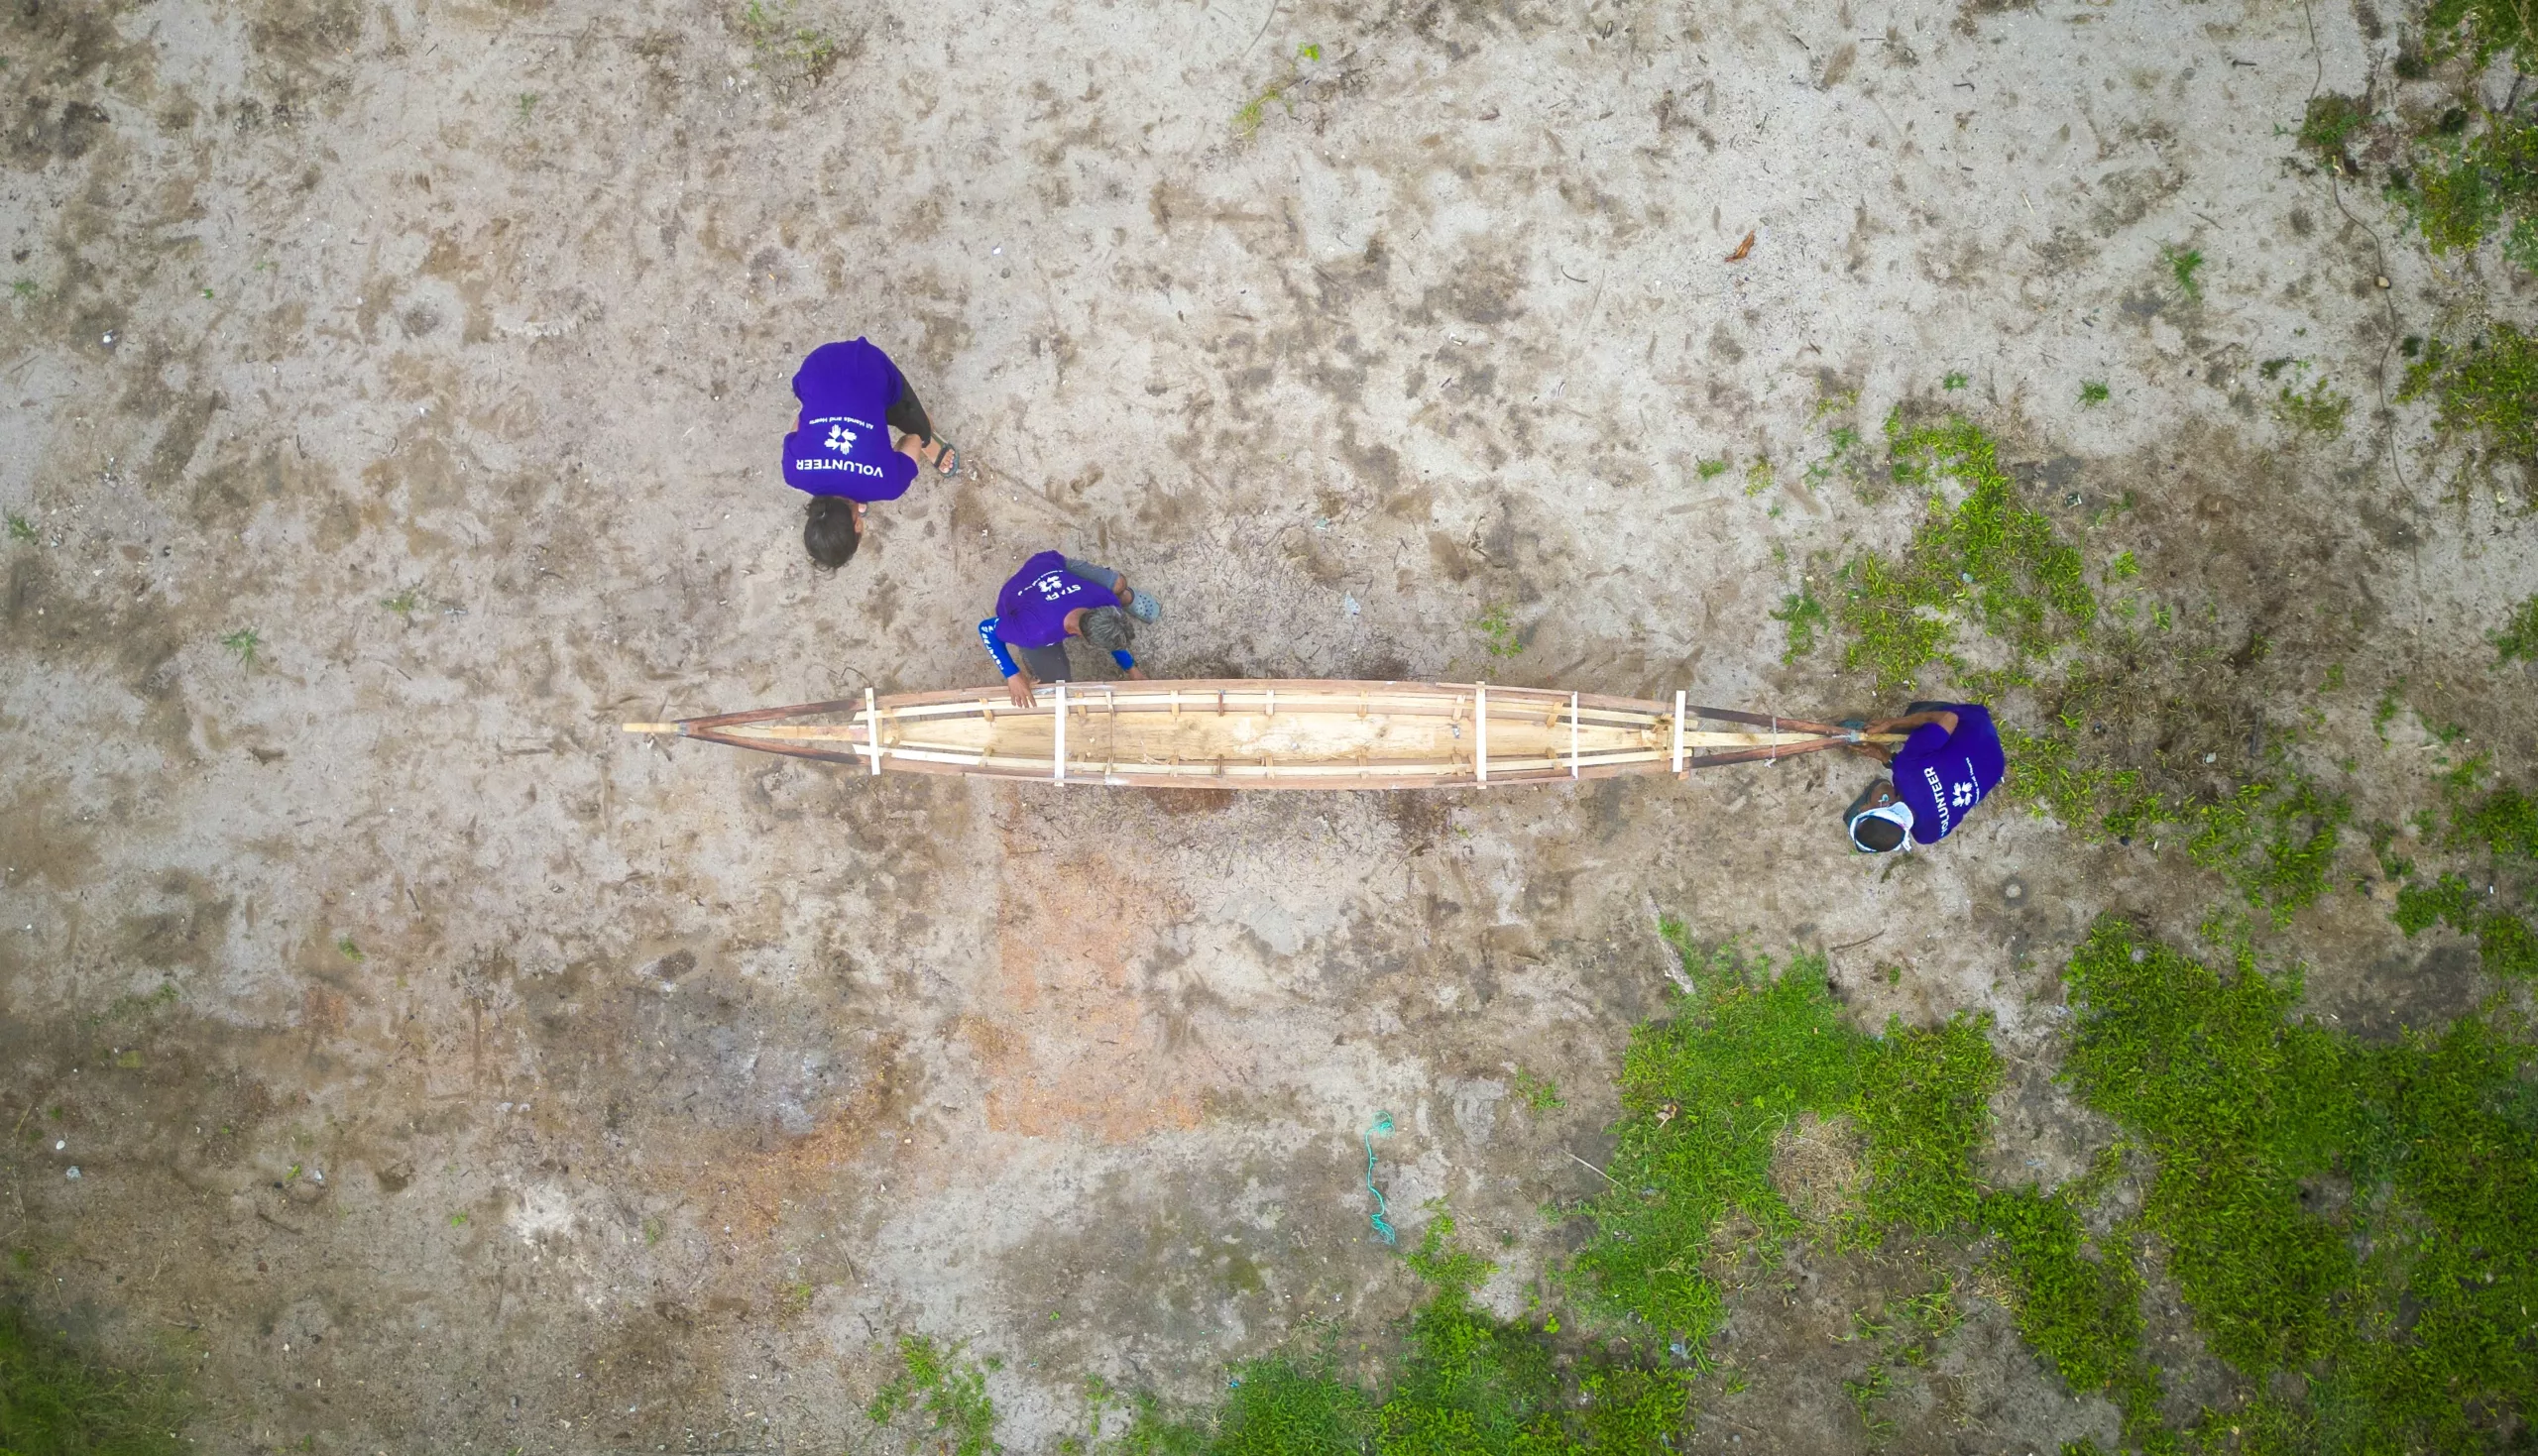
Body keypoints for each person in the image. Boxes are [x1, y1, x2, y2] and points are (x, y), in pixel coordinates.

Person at [781, 338, 960, 571]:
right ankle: (857, 492)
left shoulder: (888, 485)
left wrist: (882, 463)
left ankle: (931, 442)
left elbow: (911, 439)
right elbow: (799, 424)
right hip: (817, 364)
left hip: (868, 364)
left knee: (919, 431)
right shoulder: (793, 472)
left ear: (857, 526)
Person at [979, 552, 1163, 707]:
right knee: (1057, 682)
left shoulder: (1105, 600)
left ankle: (1127, 596)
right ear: (1079, 635)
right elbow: (986, 629)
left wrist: (1132, 668)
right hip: (1019, 593)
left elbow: (1111, 635)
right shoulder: (1034, 632)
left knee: (1118, 585)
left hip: (1051, 568)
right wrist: (1012, 674)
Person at [1843, 702, 2006, 852]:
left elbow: (1925, 788)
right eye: (1865, 811)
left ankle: (1912, 733)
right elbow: (1950, 718)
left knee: (1926, 746)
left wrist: (1886, 756)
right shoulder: (1908, 770)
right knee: (1915, 711)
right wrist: (1891, 723)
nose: (1862, 808)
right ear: (1885, 804)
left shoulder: (1928, 834)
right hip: (1975, 727)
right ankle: (1901, 730)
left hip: (1994, 767)